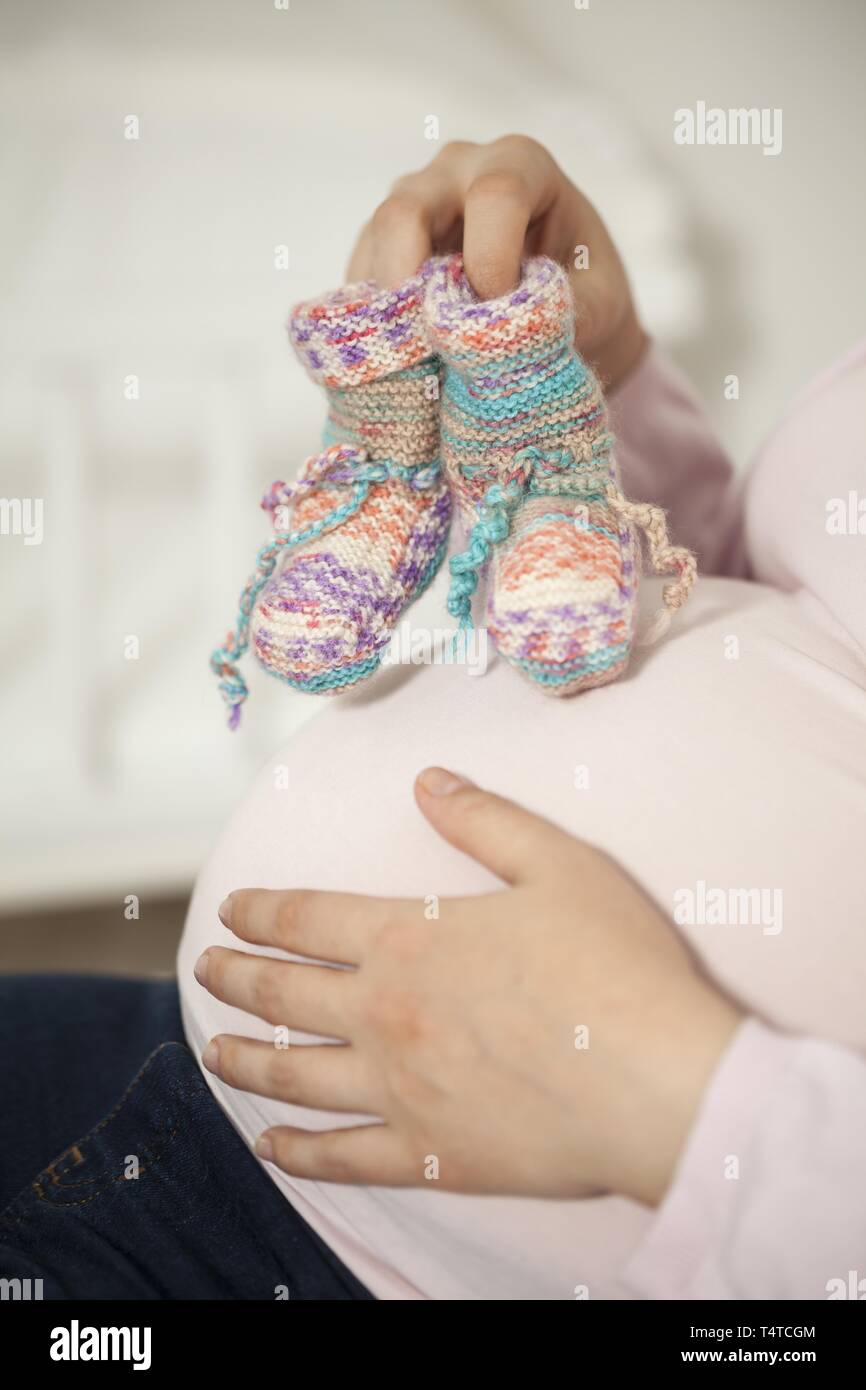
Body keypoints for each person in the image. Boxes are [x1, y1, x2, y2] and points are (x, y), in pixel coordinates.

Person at [3, 137, 865, 1301]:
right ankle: (526, 447)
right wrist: (605, 380)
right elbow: (763, 625)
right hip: (236, 1055)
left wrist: (678, 1100)